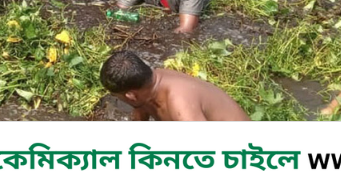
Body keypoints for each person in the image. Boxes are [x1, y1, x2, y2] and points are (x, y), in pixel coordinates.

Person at [100, 50, 248, 121]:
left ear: (131, 96)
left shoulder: (180, 104)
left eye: (117, 97)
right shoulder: (148, 85)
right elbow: (140, 117)